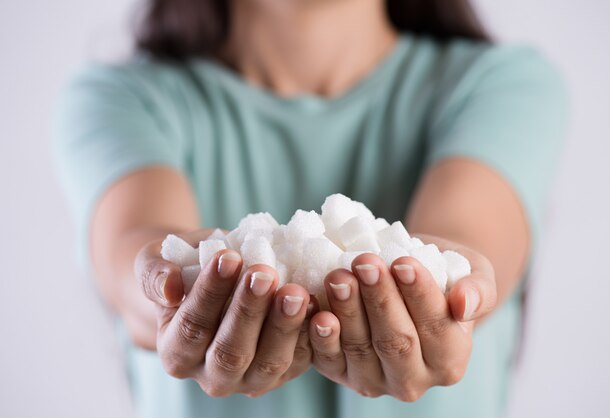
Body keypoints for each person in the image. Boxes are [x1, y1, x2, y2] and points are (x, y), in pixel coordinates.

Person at [52, 0, 568, 417]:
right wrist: (167, 296)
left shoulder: (502, 83)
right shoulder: (120, 96)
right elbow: (132, 256)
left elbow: (466, 247)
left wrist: (446, 292)